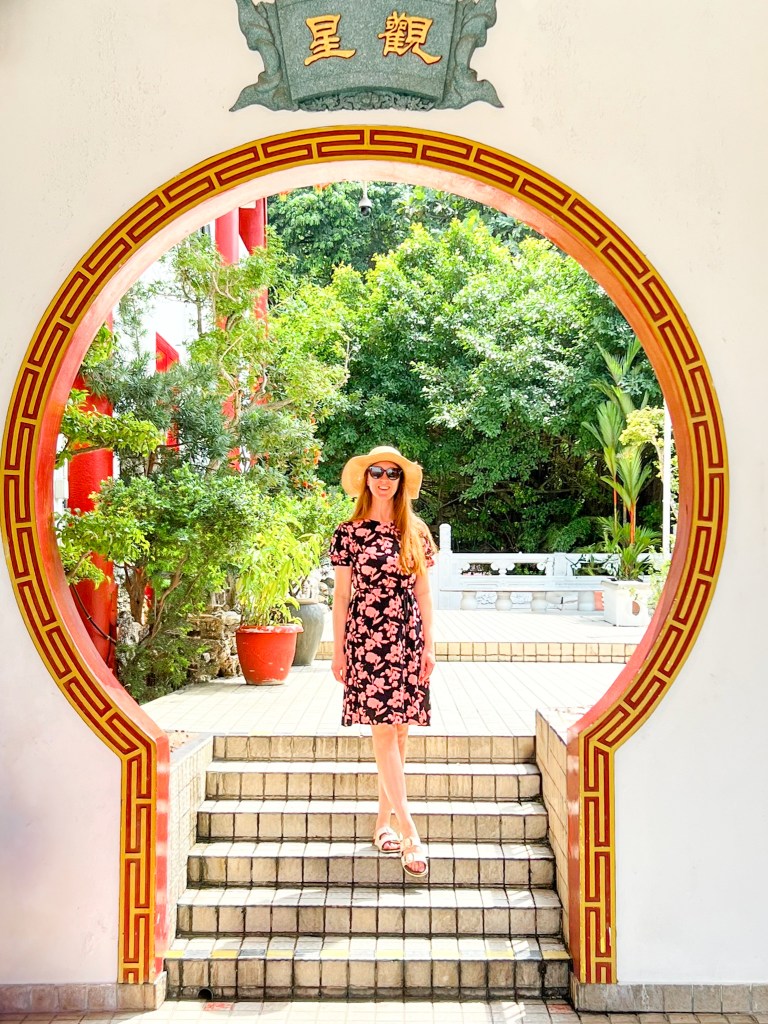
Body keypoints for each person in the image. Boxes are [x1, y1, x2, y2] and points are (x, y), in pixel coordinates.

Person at [330, 445, 436, 879]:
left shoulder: (416, 532)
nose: (383, 479)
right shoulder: (348, 532)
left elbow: (425, 594)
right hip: (367, 640)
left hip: (407, 639)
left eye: (392, 474)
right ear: (365, 479)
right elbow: (341, 596)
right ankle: (408, 831)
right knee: (383, 732)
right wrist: (337, 649)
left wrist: (430, 646)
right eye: (376, 472)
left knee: (400, 734)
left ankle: (381, 825)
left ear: (401, 482)